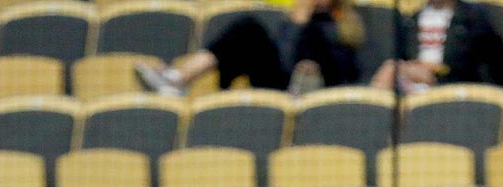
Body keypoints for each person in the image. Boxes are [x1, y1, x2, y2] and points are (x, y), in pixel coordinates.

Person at [135, 0, 365, 96]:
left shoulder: (343, 26)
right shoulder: (295, 20)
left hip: (323, 85)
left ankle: (305, 85)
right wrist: (298, 20)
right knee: (249, 29)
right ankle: (177, 78)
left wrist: (300, 22)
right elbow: (283, 58)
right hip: (280, 83)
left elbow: (348, 70)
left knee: (310, 58)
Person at [370, 0, 503, 93]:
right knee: (388, 70)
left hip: (453, 87)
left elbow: (499, 63)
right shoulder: (410, 21)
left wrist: (433, 70)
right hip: (410, 86)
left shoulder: (474, 19)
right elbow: (401, 57)